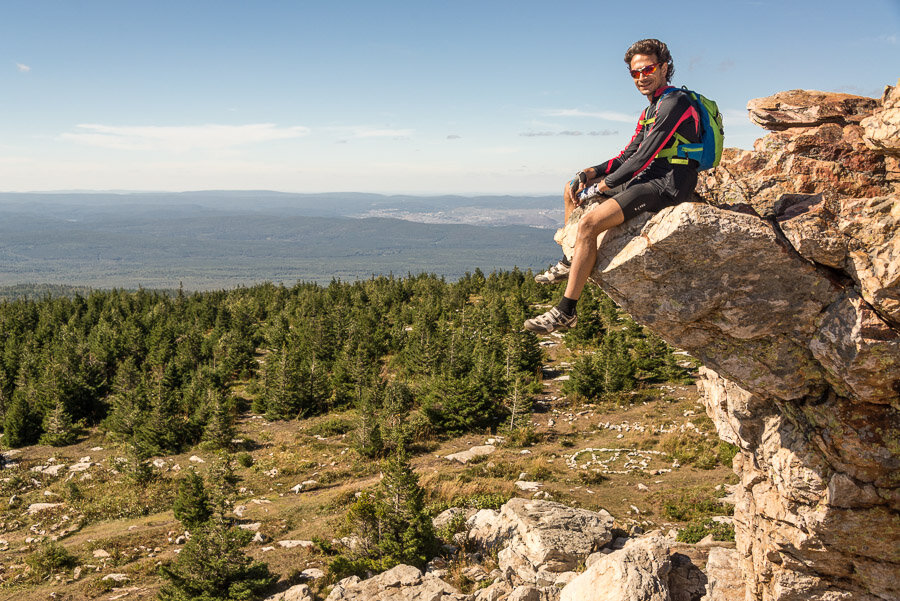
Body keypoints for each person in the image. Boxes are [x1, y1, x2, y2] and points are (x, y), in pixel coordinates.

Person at [526, 38, 701, 334]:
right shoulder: (651, 110)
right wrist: (589, 174)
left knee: (589, 224)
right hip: (648, 177)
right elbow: (628, 155)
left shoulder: (675, 102)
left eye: (648, 69)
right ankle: (571, 260)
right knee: (570, 188)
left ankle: (566, 311)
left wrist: (601, 187)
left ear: (664, 68)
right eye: (635, 73)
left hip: (668, 184)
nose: (642, 77)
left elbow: (643, 158)